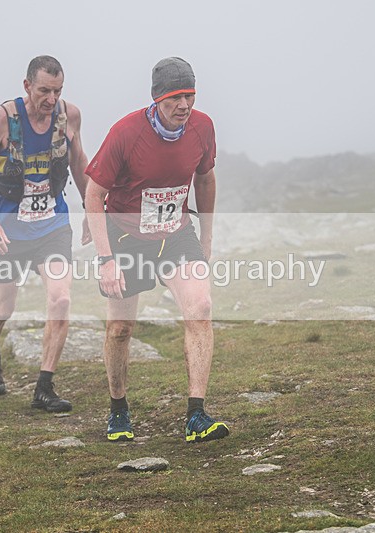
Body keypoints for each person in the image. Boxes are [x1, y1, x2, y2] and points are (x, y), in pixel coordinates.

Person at [85, 57, 229, 443]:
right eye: (175, 97)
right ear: (157, 98)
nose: (184, 105)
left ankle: (196, 415)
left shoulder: (202, 128)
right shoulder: (126, 133)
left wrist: (207, 237)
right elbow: (94, 194)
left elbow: (206, 178)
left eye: (190, 96)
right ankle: (118, 410)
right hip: (127, 237)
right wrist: (106, 260)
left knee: (200, 308)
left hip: (176, 234)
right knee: (121, 328)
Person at [0, 55, 89, 412]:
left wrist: (92, 212)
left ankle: (44, 388)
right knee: (4, 305)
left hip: (52, 226)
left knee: (61, 298)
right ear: (27, 86)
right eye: (44, 91)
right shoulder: (4, 119)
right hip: (7, 231)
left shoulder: (70, 116)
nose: (51, 99)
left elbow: (80, 165)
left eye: (57, 91)